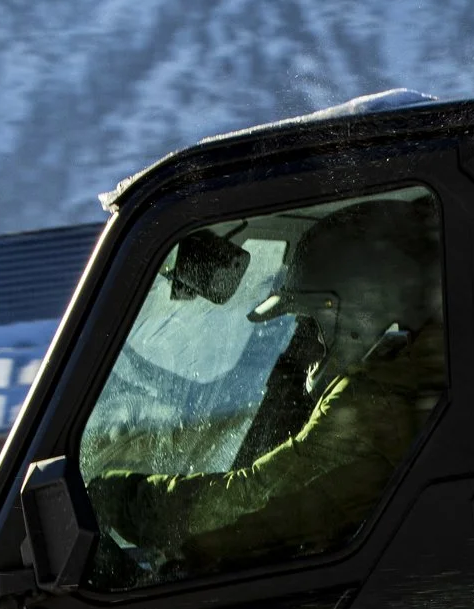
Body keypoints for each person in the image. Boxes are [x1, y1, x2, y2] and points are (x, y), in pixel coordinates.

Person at [88, 197, 443, 577]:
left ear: (357, 317)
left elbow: (256, 501)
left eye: (315, 326)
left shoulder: (376, 403)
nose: (311, 348)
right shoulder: (410, 381)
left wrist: (120, 500)